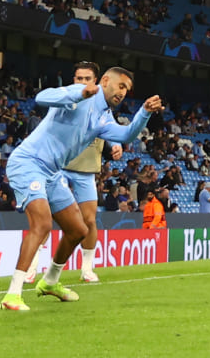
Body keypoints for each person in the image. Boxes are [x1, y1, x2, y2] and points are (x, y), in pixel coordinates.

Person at [0, 67, 160, 312]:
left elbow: (127, 134)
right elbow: (42, 98)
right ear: (105, 80)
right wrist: (79, 95)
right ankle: (12, 294)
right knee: (42, 224)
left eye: (126, 89)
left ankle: (50, 282)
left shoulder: (104, 118)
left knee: (78, 230)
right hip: (28, 162)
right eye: (120, 86)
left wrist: (144, 113)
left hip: (52, 172)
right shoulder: (80, 92)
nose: (123, 93)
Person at [61, 62, 124, 285]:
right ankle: (32, 266)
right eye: (79, 78)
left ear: (96, 82)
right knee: (46, 218)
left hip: (86, 172)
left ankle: (87, 269)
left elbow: (113, 131)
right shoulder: (67, 101)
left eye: (88, 79)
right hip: (59, 168)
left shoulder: (104, 108)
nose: (83, 83)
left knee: (89, 220)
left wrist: (116, 145)